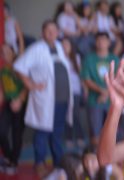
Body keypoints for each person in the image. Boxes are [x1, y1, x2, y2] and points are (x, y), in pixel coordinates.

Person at [13, 20, 73, 178]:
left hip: (62, 100)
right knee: (43, 133)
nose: (51, 33)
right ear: (42, 33)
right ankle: (39, 163)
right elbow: (18, 66)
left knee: (57, 134)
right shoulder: (37, 48)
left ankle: (58, 164)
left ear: (58, 32)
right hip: (46, 100)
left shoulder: (59, 47)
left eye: (54, 30)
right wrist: (30, 84)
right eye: (48, 30)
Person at [80, 32, 119, 146]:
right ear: (95, 43)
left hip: (112, 102)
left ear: (109, 42)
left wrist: (107, 94)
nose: (101, 42)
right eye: (99, 40)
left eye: (104, 40)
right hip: (94, 101)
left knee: (112, 133)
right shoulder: (89, 58)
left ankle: (111, 162)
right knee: (95, 134)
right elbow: (86, 79)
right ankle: (95, 161)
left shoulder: (114, 59)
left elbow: (119, 79)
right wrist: (103, 91)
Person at [0, 44, 27, 175]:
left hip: (20, 103)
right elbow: (3, 89)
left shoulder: (20, 66)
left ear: (13, 52)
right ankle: (9, 157)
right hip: (8, 102)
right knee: (1, 131)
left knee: (17, 134)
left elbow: (26, 86)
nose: (4, 53)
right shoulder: (4, 69)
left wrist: (19, 100)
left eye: (7, 51)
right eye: (2, 52)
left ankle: (14, 162)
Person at [62, 38, 85, 148]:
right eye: (63, 45)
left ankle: (80, 136)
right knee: (67, 115)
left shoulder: (76, 58)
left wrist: (84, 88)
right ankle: (69, 138)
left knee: (75, 115)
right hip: (63, 91)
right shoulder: (59, 58)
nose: (65, 46)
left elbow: (81, 75)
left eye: (67, 44)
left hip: (75, 90)